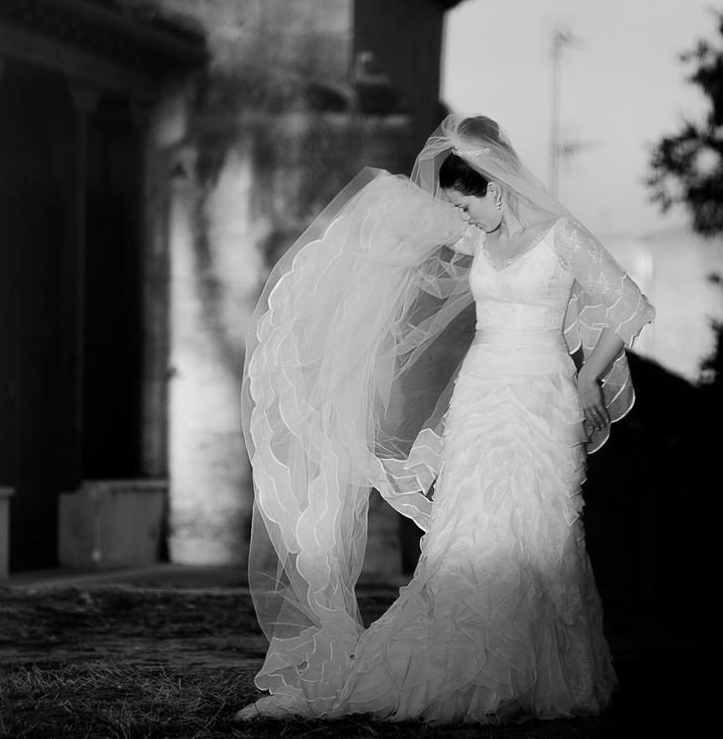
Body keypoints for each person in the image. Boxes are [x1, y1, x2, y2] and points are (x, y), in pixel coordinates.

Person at [239, 114, 654, 724]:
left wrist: (589, 377)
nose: (465, 218)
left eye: (468, 204)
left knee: (539, 529)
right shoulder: (479, 242)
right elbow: (406, 245)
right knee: (467, 529)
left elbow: (628, 307)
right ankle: (469, 666)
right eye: (457, 209)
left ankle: (531, 670)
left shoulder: (561, 236)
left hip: (541, 396)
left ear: (497, 185)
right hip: (480, 395)